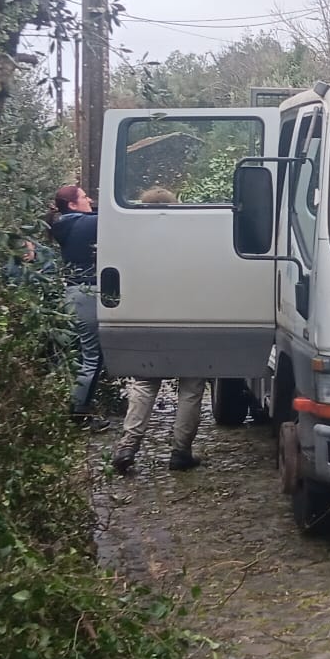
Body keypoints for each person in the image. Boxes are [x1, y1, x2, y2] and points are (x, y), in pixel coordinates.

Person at [112, 185, 205, 473]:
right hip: (189, 319)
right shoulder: (194, 240)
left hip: (147, 318)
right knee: (191, 386)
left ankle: (128, 446)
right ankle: (180, 452)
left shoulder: (132, 239)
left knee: (144, 382)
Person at [48, 184, 107, 428]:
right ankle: (79, 414)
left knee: (83, 355)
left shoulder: (66, 223)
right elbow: (115, 219)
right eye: (84, 197)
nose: (90, 199)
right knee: (93, 357)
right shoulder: (84, 224)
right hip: (86, 293)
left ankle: (75, 408)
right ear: (72, 204)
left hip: (74, 293)